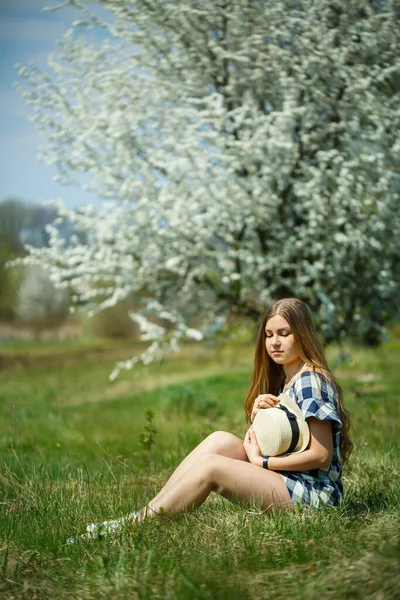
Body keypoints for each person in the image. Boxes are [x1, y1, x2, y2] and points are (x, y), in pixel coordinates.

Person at [68, 297, 352, 543]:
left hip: (315, 498)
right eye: (268, 334)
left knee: (212, 468)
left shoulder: (310, 382)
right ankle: (143, 515)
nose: (274, 342)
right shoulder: (288, 380)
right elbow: (287, 442)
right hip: (291, 481)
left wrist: (261, 463)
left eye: (284, 333)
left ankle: (134, 527)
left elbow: (320, 454)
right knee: (220, 440)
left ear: (302, 335)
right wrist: (259, 417)